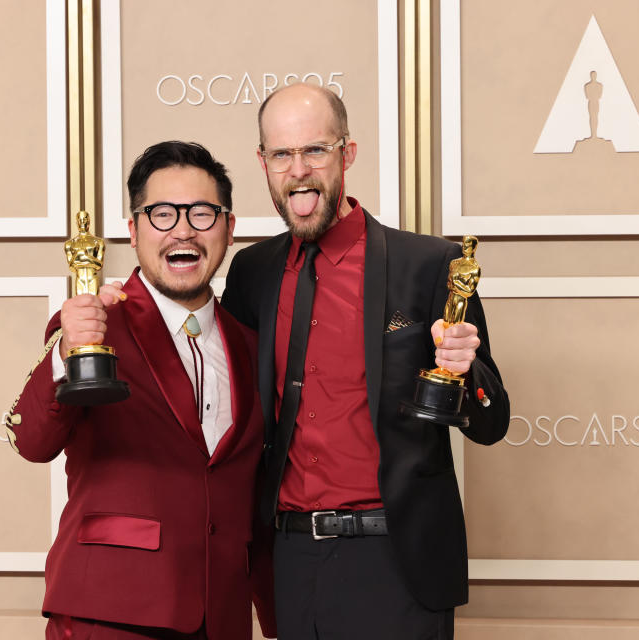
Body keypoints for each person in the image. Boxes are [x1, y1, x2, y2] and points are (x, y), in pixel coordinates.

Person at [219, 83, 510, 639]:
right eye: (281, 154)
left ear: (347, 153)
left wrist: (465, 369)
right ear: (263, 163)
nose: (298, 170)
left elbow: (493, 422)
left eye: (315, 150)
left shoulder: (431, 265)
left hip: (397, 560)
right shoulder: (252, 272)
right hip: (290, 557)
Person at [6, 141, 275, 640]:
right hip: (110, 612)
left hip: (221, 615)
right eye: (162, 213)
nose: (183, 229)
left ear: (229, 228)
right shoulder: (95, 328)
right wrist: (69, 349)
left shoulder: (252, 344)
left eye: (202, 212)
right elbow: (32, 441)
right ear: (133, 231)